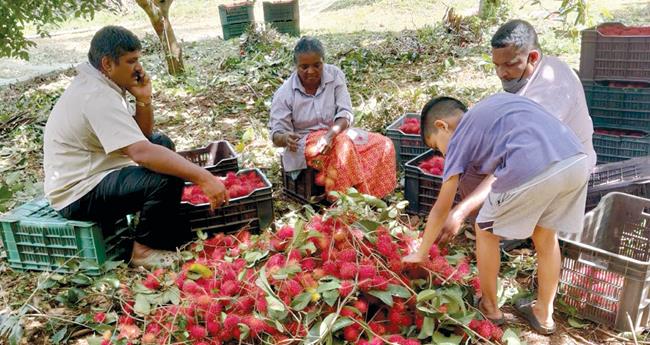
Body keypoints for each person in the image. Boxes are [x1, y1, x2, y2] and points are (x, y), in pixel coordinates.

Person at [43, 26, 228, 268]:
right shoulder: (96, 95)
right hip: (77, 193)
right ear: (107, 63)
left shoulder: (101, 83)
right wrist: (203, 177)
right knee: (166, 179)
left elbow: (143, 136)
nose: (138, 68)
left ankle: (157, 229)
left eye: (138, 60)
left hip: (98, 172)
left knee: (161, 144)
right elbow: (140, 153)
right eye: (131, 61)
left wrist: (143, 98)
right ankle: (142, 251)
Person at [403, 94, 590, 335]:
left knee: (485, 229)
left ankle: (490, 307)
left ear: (442, 126)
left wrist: (420, 252)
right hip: (575, 160)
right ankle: (544, 314)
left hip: (534, 169)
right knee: (545, 236)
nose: (442, 154)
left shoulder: (460, 135)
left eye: (436, 146)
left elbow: (442, 206)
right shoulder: (494, 108)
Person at [437, 19, 596, 246]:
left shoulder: (552, 89)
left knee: (475, 172)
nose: (502, 73)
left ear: (532, 57)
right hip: (546, 158)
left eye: (510, 65)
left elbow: (515, 160)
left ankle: (509, 228)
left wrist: (461, 210)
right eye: (496, 66)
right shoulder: (533, 73)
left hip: (561, 170)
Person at [269, 36, 396, 198]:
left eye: (317, 65)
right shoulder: (284, 94)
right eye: (304, 67)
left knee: (384, 144)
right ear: (296, 66)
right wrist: (286, 138)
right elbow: (276, 135)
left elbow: (346, 114)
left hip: (338, 134)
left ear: (324, 61)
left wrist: (330, 135)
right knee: (342, 146)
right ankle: (343, 205)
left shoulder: (334, 76)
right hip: (305, 145)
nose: (311, 71)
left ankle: (368, 196)